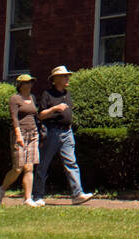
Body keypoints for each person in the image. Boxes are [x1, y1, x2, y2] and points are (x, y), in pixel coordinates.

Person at [33, 65, 95, 205]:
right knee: (44, 164)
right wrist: (55, 108)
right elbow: (41, 115)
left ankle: (77, 194)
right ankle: (37, 196)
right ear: (55, 79)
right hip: (52, 132)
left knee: (71, 162)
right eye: (64, 76)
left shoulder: (67, 94)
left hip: (67, 132)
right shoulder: (47, 95)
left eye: (68, 76)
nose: (67, 78)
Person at [0, 74, 42, 207]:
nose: (29, 85)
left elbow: (35, 115)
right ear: (20, 85)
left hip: (33, 133)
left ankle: (28, 199)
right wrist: (18, 134)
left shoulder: (32, 98)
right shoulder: (15, 99)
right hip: (20, 134)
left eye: (31, 82)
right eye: (26, 83)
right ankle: (1, 190)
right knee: (18, 168)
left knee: (29, 167)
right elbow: (14, 118)